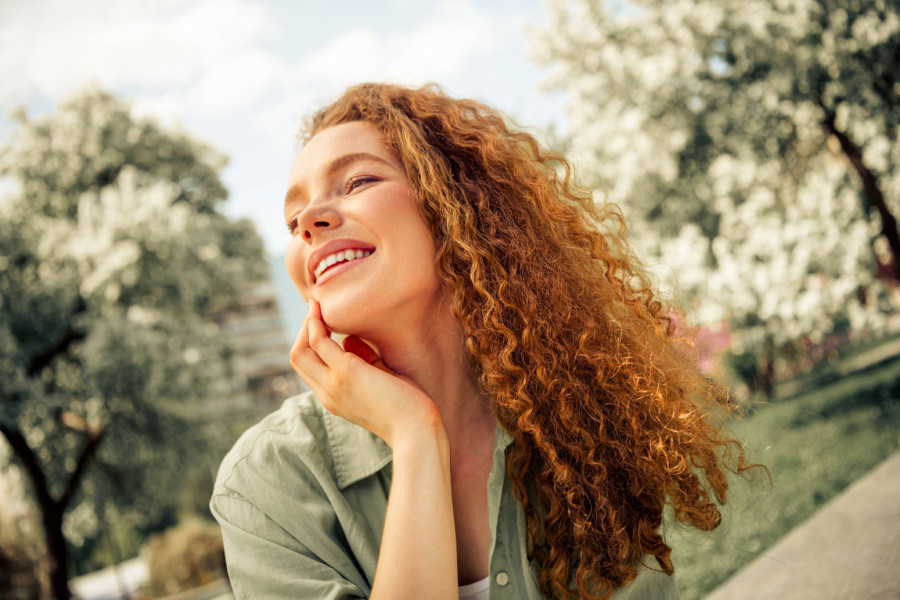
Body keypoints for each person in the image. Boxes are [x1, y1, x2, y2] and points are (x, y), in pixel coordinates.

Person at [210, 83, 758, 600]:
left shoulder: (581, 417)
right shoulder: (264, 483)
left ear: (459, 209)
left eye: (357, 182)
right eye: (291, 219)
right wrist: (413, 435)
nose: (308, 220)